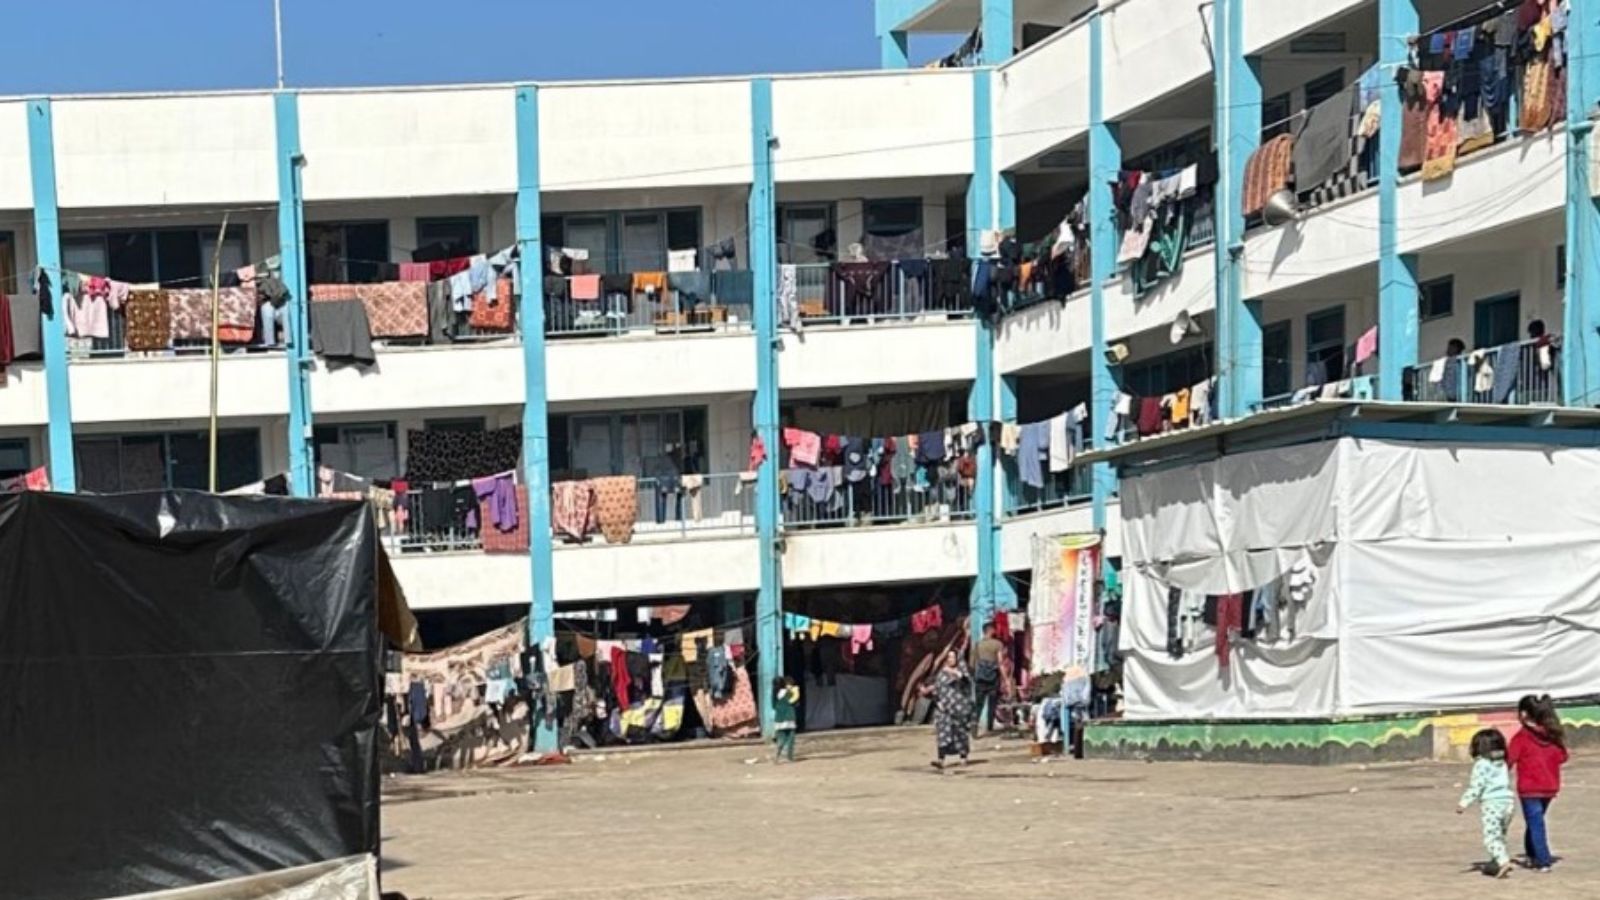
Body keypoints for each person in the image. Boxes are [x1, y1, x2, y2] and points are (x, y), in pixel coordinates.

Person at [1507, 694, 1569, 872]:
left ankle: (1542, 860)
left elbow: (1509, 760)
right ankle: (1533, 855)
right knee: (1535, 821)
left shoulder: (1521, 737)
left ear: (1524, 714)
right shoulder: (1553, 735)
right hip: (1549, 786)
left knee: (1535, 823)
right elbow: (1563, 757)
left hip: (1529, 788)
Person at [1457, 728, 1515, 879]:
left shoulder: (1481, 764)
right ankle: (1496, 861)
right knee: (1500, 835)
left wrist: (1464, 803)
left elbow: (1477, 786)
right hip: (1508, 802)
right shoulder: (1501, 762)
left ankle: (1503, 862)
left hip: (1492, 803)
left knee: (1491, 837)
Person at [922, 650, 975, 771]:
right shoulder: (941, 673)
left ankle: (963, 757)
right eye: (949, 657)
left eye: (953, 657)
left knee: (960, 733)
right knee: (943, 733)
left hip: (959, 709)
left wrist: (957, 674)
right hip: (944, 710)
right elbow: (937, 689)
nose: (950, 659)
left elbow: (967, 683)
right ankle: (941, 760)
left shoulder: (962, 672)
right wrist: (938, 702)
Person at [970, 622, 1005, 735]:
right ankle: (989, 727)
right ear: (991, 630)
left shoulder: (978, 645)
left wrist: (974, 676)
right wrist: (1005, 678)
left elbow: (972, 663)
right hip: (993, 678)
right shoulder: (997, 644)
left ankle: (974, 724)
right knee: (992, 703)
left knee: (979, 703)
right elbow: (1000, 663)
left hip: (980, 678)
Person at [772, 676, 800, 764]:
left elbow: (773, 706)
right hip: (789, 717)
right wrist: (796, 690)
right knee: (790, 737)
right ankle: (789, 757)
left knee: (781, 737)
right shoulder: (789, 693)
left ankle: (777, 754)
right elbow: (794, 701)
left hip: (779, 718)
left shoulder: (774, 693)